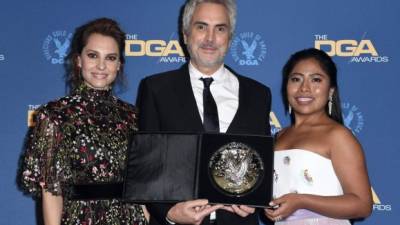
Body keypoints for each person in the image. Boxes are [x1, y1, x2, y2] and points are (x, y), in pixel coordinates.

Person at [136, 0, 272, 225]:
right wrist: (169, 213)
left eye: (220, 28)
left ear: (230, 38)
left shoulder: (258, 94)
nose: (210, 38)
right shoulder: (156, 89)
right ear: (185, 34)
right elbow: (147, 167)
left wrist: (255, 202)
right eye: (201, 27)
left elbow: (261, 165)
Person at [21, 18, 148, 225]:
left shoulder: (133, 117)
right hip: (79, 218)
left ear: (119, 65)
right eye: (92, 56)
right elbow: (51, 192)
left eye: (110, 58)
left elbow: (142, 186)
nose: (101, 66)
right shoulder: (55, 116)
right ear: (78, 60)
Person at [264, 48, 372, 224]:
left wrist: (301, 201)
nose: (304, 88)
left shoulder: (338, 136)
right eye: (296, 79)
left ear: (330, 91)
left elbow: (362, 205)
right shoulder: (279, 136)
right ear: (286, 87)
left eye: (316, 80)